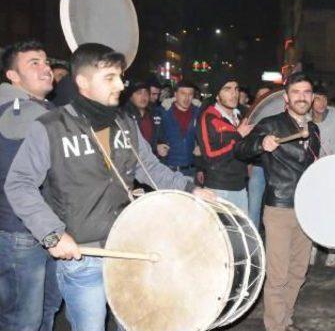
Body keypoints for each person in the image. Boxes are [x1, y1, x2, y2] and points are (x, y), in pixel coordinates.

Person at [4, 43, 216, 331]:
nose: (120, 85)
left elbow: (150, 168)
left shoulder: (125, 124)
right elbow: (19, 184)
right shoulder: (50, 126)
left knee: (137, 323)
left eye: (120, 77)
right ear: (83, 82)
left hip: (127, 244)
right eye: (110, 78)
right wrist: (52, 234)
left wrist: (191, 189)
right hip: (83, 256)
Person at [234, 72, 320, 331]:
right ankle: (275, 326)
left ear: (313, 97)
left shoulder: (313, 128)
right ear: (286, 97)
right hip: (280, 207)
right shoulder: (272, 124)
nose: (301, 97)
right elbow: (240, 149)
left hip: (306, 210)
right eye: (296, 92)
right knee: (278, 275)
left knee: (298, 272)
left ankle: (286, 319)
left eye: (306, 92)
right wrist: (261, 143)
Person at [0, 41, 61, 330]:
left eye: (46, 61)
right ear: (12, 76)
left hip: (48, 227)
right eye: (33, 63)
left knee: (47, 308)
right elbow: (20, 181)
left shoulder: (43, 109)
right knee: (24, 320)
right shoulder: (15, 112)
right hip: (21, 232)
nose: (45, 67)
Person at [197, 72, 253, 213]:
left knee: (240, 234)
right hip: (219, 189)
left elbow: (244, 150)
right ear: (217, 94)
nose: (234, 93)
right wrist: (238, 134)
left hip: (241, 187)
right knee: (219, 234)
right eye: (227, 89)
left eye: (236, 89)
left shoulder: (241, 115)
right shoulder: (208, 118)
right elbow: (210, 156)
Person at [309, 86, 335, 267]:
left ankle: (333, 250)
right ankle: (313, 247)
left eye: (324, 99)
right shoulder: (305, 121)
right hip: (315, 174)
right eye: (316, 99)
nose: (321, 103)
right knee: (315, 213)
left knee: (334, 212)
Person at [157, 80, 200, 177]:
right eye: (183, 93)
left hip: (192, 171)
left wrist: (202, 147)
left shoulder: (199, 113)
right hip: (168, 171)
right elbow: (149, 138)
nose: (187, 98)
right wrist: (156, 147)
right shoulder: (162, 112)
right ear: (175, 94)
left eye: (190, 94)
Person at [247, 84, 273, 227]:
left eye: (266, 96)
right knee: (254, 207)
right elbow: (245, 144)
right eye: (260, 96)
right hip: (258, 167)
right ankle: (253, 241)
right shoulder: (251, 117)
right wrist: (249, 164)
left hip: (276, 169)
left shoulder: (280, 116)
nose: (263, 99)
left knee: (274, 210)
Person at [123, 81, 162, 152]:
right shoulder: (124, 116)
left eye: (146, 93)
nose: (143, 97)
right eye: (139, 93)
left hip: (152, 160)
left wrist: (160, 145)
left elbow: (159, 137)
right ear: (130, 96)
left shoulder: (155, 114)